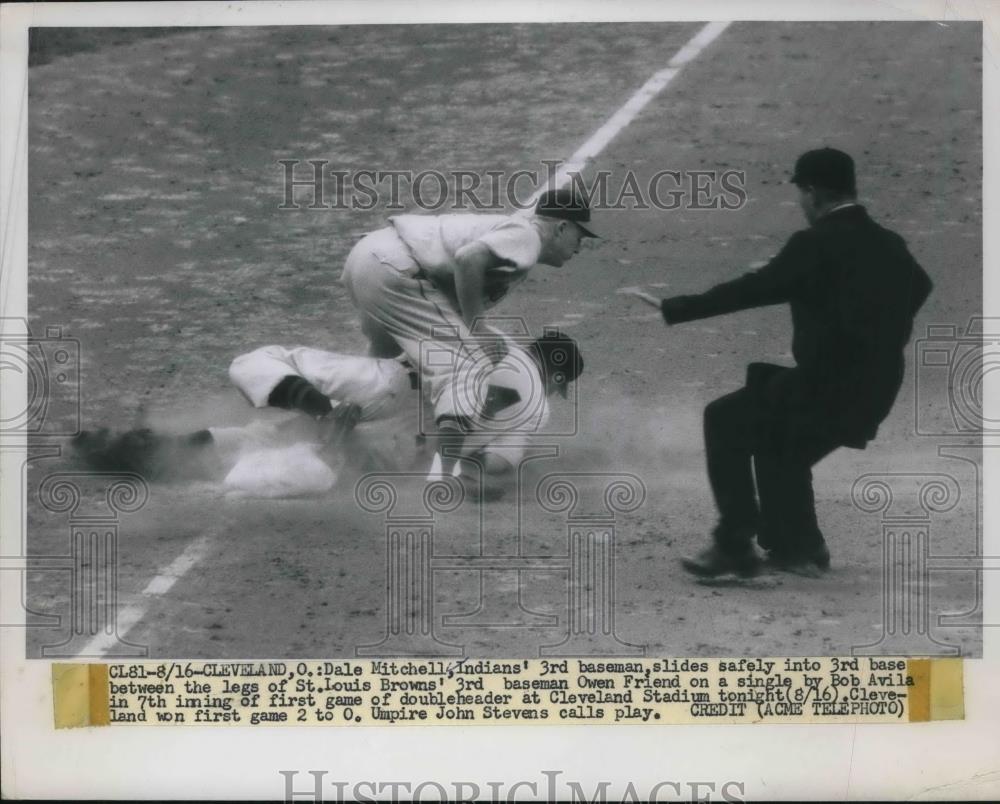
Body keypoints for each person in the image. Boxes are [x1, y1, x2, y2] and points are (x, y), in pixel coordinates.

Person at [626, 148, 933, 577]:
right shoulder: (890, 244)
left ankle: (734, 544)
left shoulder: (815, 243)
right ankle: (800, 548)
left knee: (726, 418)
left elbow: (756, 288)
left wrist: (675, 308)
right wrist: (881, 339)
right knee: (780, 445)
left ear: (810, 192)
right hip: (877, 389)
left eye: (801, 194)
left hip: (828, 386)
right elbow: (921, 286)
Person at [71, 331, 583, 499]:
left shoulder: (490, 341)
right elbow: (496, 469)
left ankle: (146, 450)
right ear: (555, 378)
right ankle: (156, 459)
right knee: (310, 462)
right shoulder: (531, 397)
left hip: (384, 391)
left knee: (263, 435)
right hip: (396, 442)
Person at [340, 187, 597, 474]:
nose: (579, 246)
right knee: (460, 368)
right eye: (580, 235)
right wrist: (478, 327)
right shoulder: (528, 237)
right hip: (395, 269)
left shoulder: (513, 233)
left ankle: (337, 412)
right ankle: (443, 476)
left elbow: (451, 287)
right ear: (561, 227)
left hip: (367, 262)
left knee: (385, 362)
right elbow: (468, 259)